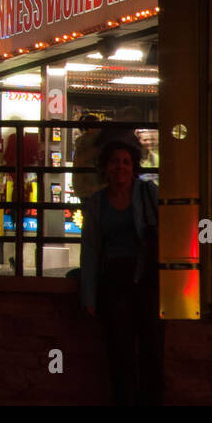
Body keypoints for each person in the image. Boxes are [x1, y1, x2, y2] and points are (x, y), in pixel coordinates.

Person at [79, 139, 162, 406]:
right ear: (105, 167)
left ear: (134, 166)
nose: (121, 167)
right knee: (119, 351)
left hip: (146, 278)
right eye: (115, 161)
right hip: (115, 280)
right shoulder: (97, 203)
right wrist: (89, 296)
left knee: (152, 350)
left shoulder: (147, 192)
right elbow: (90, 248)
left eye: (126, 162)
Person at [71, 114, 104, 203]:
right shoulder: (90, 140)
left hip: (83, 187)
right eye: (97, 125)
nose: (100, 128)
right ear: (90, 127)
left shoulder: (81, 140)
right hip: (90, 188)